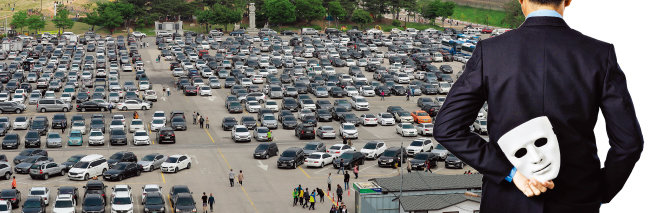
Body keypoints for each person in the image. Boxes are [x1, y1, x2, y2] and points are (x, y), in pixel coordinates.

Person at [432, 0, 644, 212]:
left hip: (506, 201)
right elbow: (629, 142)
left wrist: (510, 173)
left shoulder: (491, 52)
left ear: (521, 0)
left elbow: (447, 128)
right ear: (568, 0)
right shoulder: (599, 54)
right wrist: (600, 190)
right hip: (577, 200)